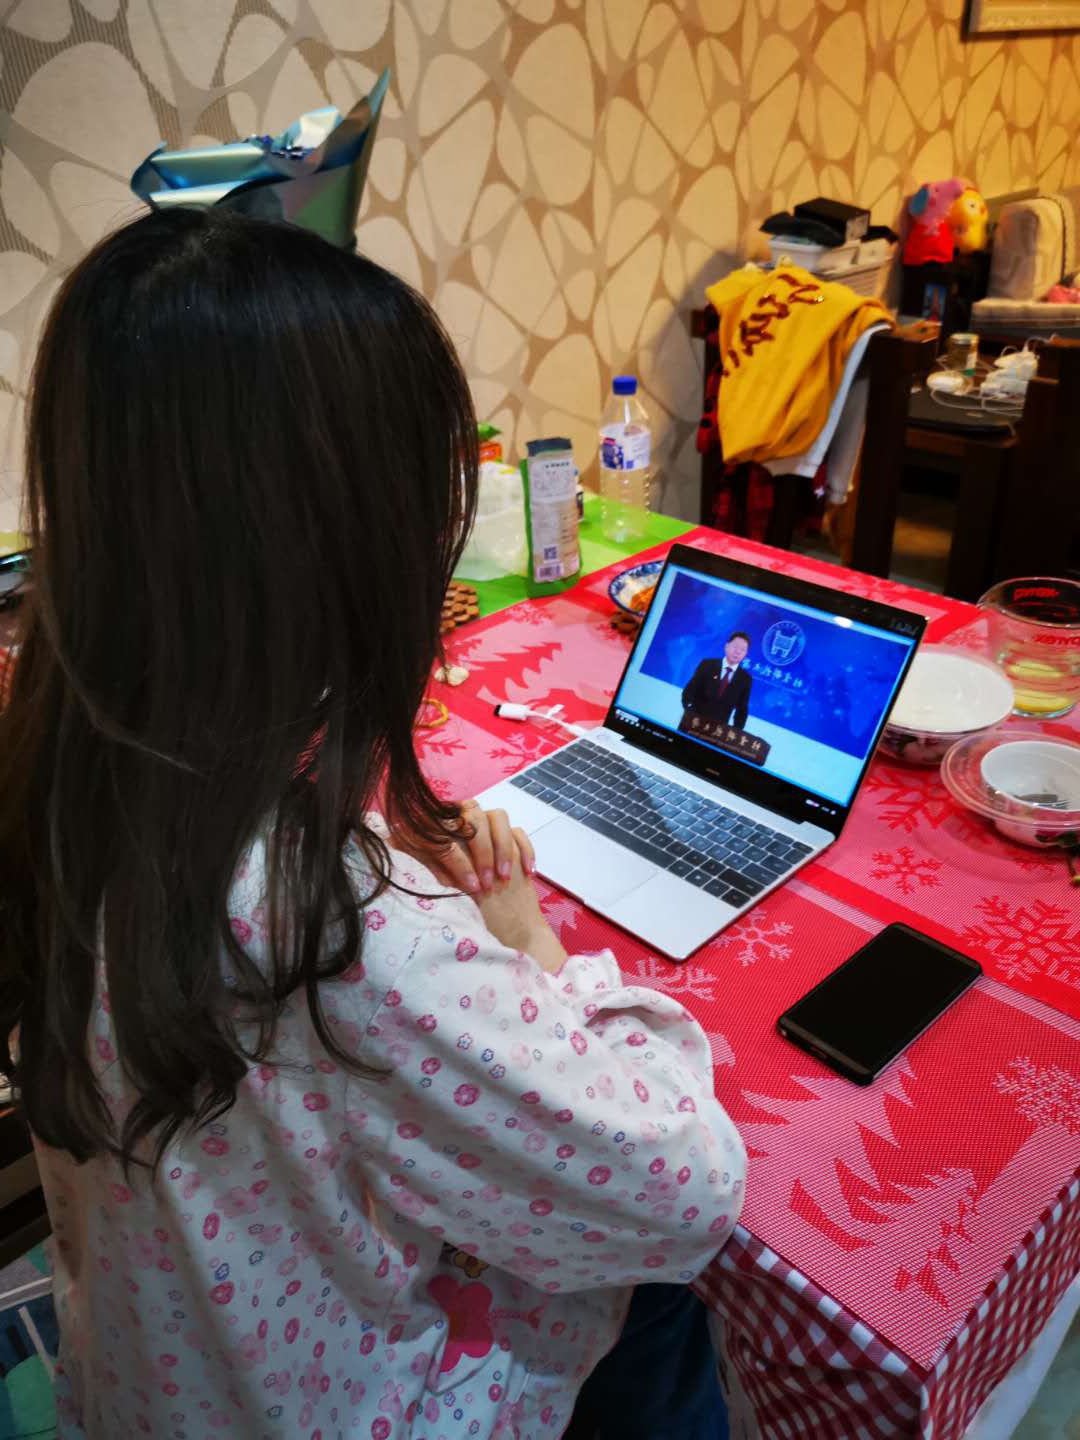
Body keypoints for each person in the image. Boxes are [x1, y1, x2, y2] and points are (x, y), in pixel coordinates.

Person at [0, 209, 745, 1440]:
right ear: (339, 544)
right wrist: (530, 947)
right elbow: (691, 1191)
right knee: (658, 1288)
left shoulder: (59, 773)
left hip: (144, 1382)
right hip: (337, 1409)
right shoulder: (341, 931)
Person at [681, 631, 754, 732]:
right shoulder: (707, 665)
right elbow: (689, 691)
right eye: (735, 647)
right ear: (726, 646)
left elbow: (742, 710)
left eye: (742, 650)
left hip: (717, 732)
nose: (738, 652)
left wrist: (735, 732)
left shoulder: (745, 679)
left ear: (745, 654)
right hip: (692, 723)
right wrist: (689, 712)